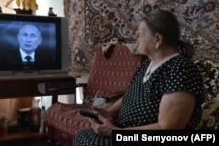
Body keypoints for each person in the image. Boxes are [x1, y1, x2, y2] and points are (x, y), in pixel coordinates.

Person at [72, 9, 204, 145]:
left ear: (157, 39)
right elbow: (131, 94)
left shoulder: (181, 70)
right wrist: (109, 112)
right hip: (124, 128)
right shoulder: (147, 63)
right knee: (82, 136)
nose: (137, 40)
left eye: (140, 35)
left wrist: (116, 133)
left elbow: (168, 128)